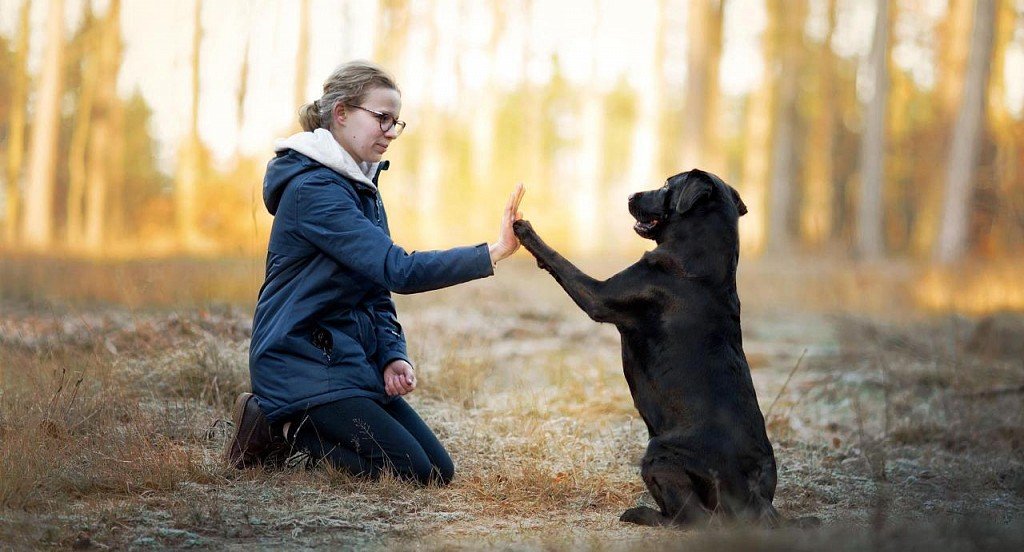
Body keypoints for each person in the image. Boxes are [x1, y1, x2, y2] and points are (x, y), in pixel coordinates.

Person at [224, 60, 525, 486]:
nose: (389, 131)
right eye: (381, 118)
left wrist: (391, 354)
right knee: (412, 472)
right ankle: (282, 432)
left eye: (395, 122)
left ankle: (300, 430)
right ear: (341, 112)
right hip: (299, 360)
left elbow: (376, 284)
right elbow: (398, 270)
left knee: (439, 470)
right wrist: (490, 253)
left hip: (345, 360)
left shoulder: (359, 186)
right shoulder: (315, 190)